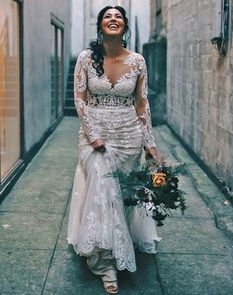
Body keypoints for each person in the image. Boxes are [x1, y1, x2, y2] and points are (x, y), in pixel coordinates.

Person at [67, 6, 161, 294]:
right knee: (100, 189)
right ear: (100, 25)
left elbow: (142, 104)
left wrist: (150, 142)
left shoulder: (138, 61)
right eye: (107, 16)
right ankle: (104, 261)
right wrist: (93, 134)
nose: (113, 19)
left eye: (118, 16)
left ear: (124, 26)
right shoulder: (86, 58)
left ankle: (120, 240)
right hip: (95, 136)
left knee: (122, 193)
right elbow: (80, 99)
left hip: (128, 133)